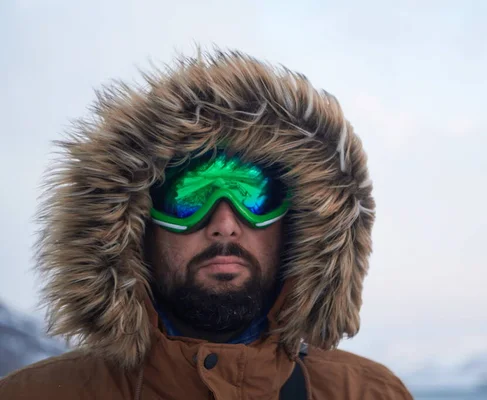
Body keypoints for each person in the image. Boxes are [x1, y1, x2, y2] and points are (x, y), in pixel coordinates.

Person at [0, 48, 413, 399]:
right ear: (137, 228)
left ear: (300, 226)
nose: (225, 225)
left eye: (254, 195)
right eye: (187, 197)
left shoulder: (365, 392)